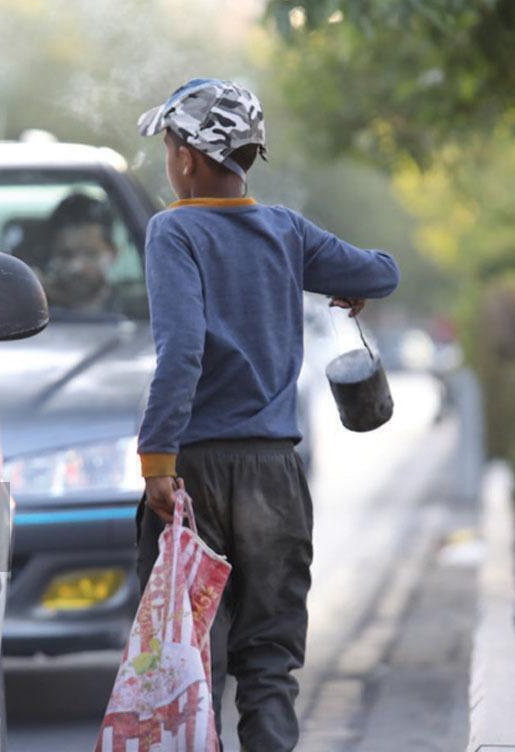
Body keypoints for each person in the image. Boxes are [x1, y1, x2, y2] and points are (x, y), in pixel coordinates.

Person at [134, 78, 400, 750]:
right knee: (268, 662)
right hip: (276, 477)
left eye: (168, 149)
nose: (168, 163)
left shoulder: (174, 231)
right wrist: (343, 281)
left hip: (195, 472)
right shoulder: (286, 231)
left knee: (188, 661)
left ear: (188, 158)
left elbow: (182, 350)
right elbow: (382, 273)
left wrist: (157, 460)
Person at [42, 193, 119, 313]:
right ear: (51, 254)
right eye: (65, 255)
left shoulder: (137, 310)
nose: (76, 268)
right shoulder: (36, 308)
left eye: (90, 254)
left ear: (113, 254)